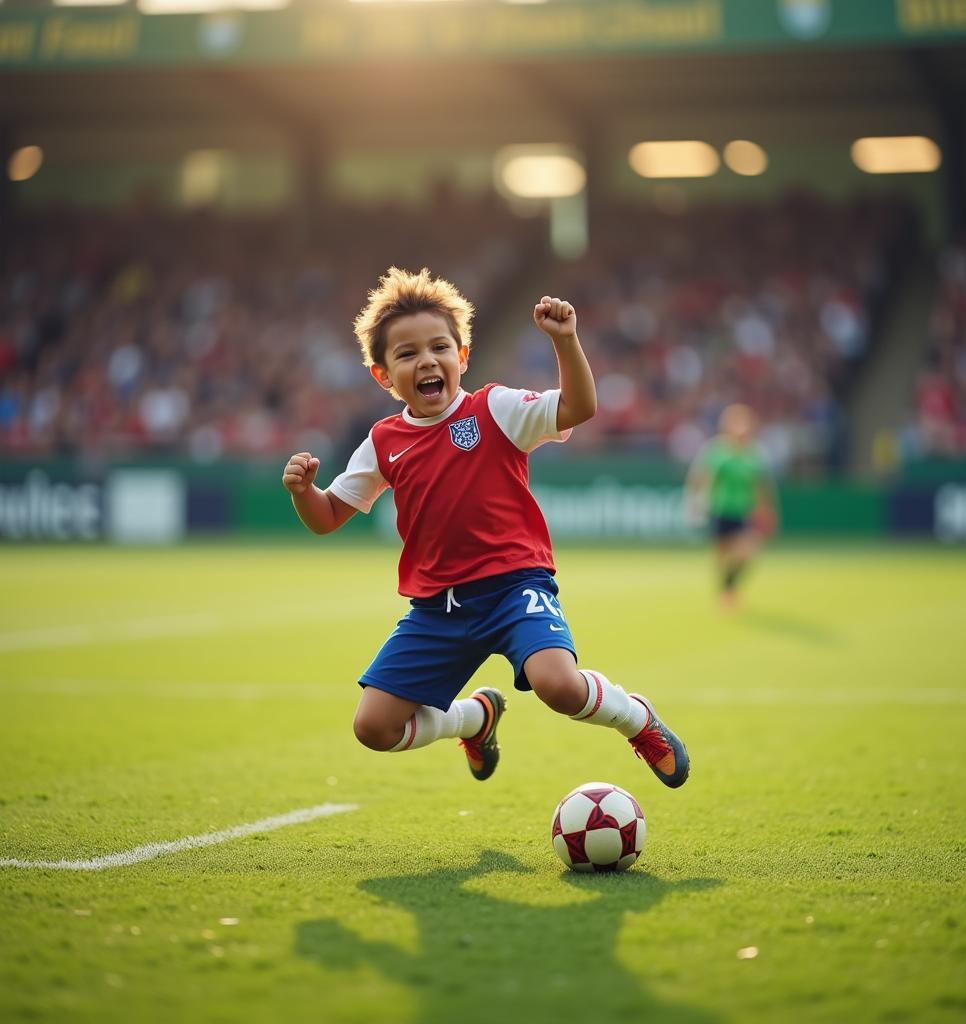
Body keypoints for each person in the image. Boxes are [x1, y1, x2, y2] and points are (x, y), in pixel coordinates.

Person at [282, 267, 688, 789]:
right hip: (438, 609)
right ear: (383, 376)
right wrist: (303, 494)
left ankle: (638, 720)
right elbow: (327, 518)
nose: (426, 360)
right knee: (374, 727)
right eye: (406, 355)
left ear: (462, 356)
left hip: (514, 588)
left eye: (439, 347)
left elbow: (580, 407)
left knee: (558, 687)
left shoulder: (494, 408)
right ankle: (474, 719)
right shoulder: (383, 441)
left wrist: (565, 341)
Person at [686, 403, 778, 610]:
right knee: (723, 557)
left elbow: (762, 486)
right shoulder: (717, 451)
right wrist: (695, 503)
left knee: (747, 551)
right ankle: (727, 592)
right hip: (720, 510)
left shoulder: (754, 455)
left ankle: (729, 589)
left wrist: (768, 511)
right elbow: (700, 478)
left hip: (743, 512)